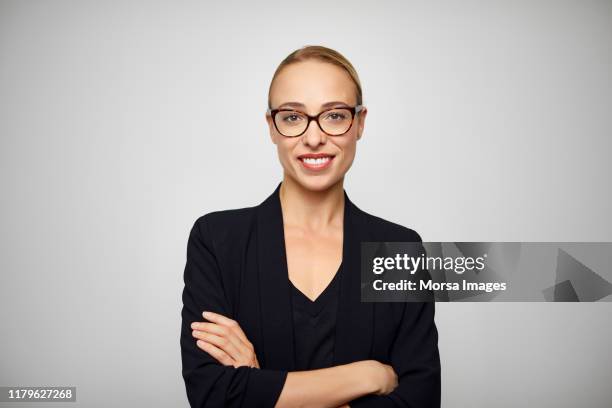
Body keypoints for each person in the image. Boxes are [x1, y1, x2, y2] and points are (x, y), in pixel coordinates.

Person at [180, 45, 441, 408]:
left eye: (334, 116)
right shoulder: (217, 241)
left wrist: (258, 386)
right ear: (271, 127)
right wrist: (365, 376)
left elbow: (420, 400)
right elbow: (213, 394)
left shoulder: (399, 248)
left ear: (360, 123)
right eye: (292, 117)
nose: (314, 137)